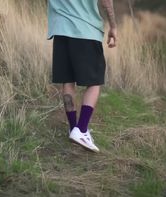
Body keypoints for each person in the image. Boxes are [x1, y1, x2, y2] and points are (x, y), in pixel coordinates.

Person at [47, 0, 117, 152]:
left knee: (68, 80)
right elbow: (106, 1)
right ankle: (82, 129)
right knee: (94, 82)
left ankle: (74, 129)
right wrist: (113, 26)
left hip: (60, 28)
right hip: (86, 29)